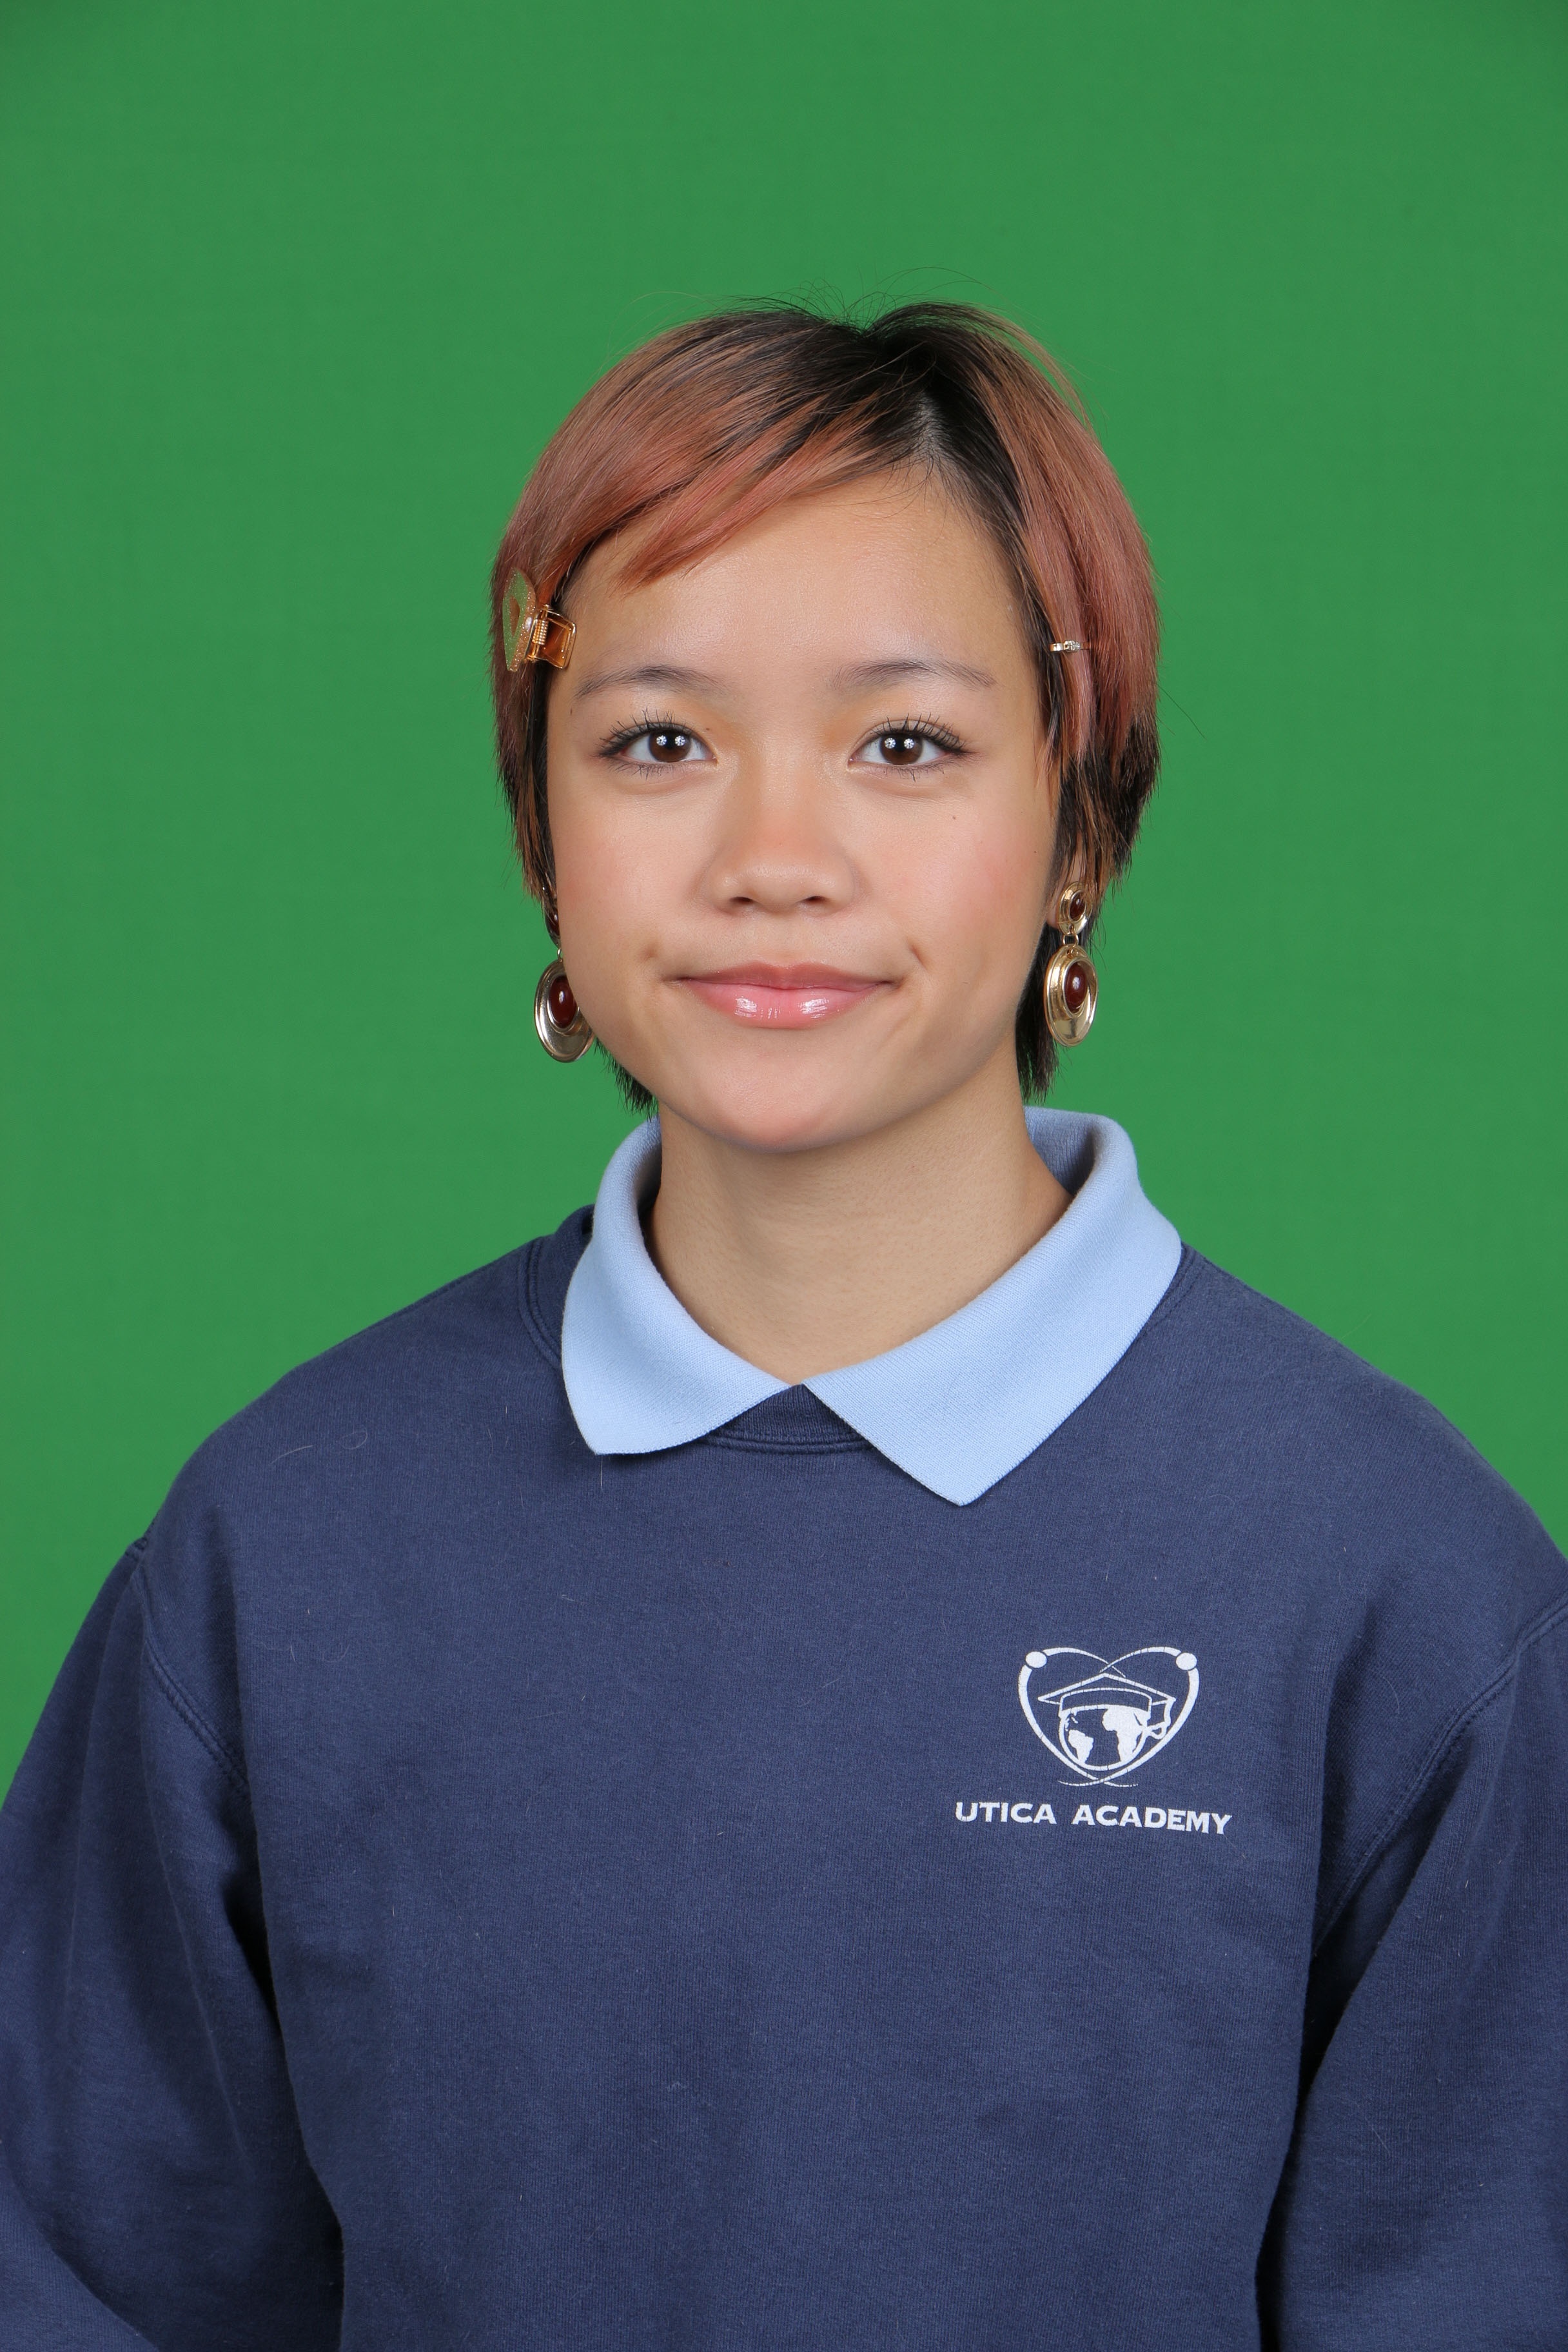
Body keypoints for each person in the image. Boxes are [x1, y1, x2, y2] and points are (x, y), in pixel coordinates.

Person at [1, 302, 1562, 2351]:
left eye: (905, 744)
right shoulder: (279, 1554)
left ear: (1081, 826)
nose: (773, 862)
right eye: (659, 742)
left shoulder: (1402, 1594)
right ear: (542, 833)